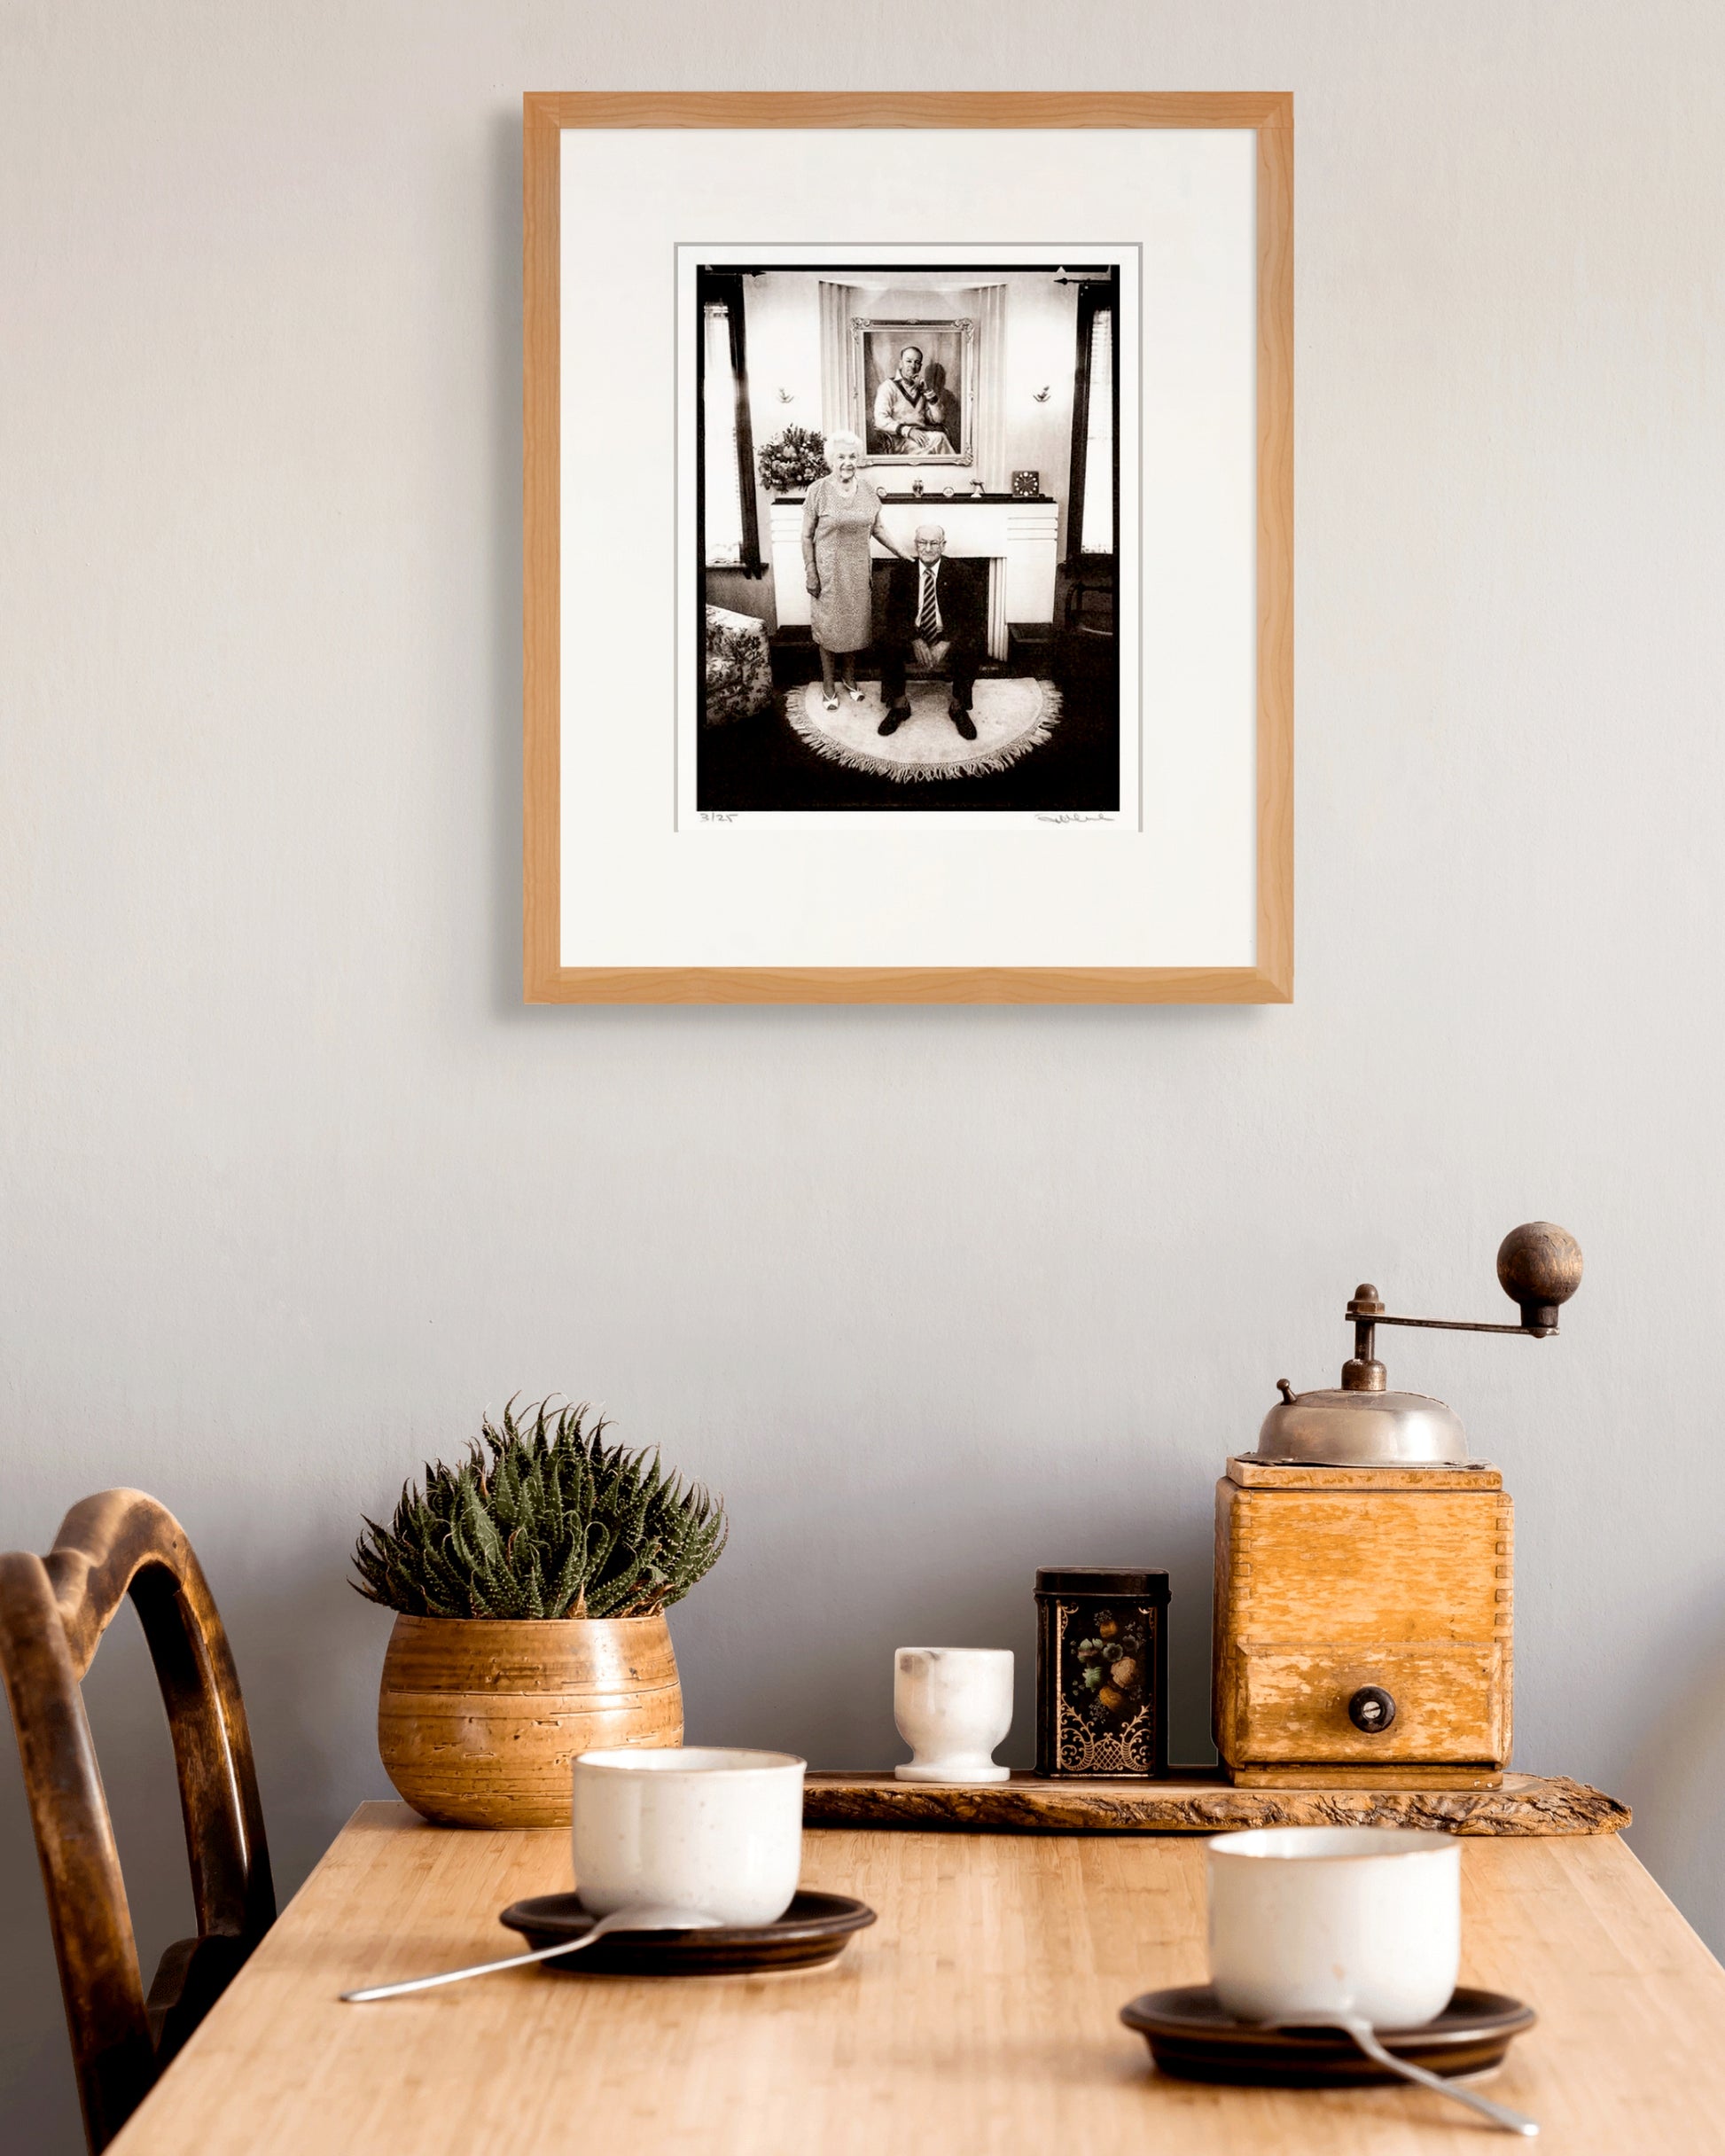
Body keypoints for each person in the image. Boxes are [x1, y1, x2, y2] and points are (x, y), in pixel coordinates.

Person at [800, 431, 911, 711]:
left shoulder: (868, 490)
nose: (847, 462)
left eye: (852, 456)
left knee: (853, 629)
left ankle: (849, 679)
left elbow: (878, 528)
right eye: (841, 457)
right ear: (830, 460)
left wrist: (902, 552)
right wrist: (811, 572)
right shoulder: (818, 491)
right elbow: (806, 536)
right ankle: (828, 685)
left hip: (859, 573)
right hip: (829, 573)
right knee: (828, 628)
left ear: (858, 459)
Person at [877, 524, 986, 741]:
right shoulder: (902, 572)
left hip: (946, 634)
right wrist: (914, 638)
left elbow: (972, 616)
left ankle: (958, 706)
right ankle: (899, 706)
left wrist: (946, 642)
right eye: (922, 543)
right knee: (887, 641)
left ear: (943, 545)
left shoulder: (961, 573)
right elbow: (893, 615)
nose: (927, 548)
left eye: (934, 543)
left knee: (974, 643)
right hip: (913, 633)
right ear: (915, 545)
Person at [871, 345, 956, 457]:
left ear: (920, 366)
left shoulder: (921, 388)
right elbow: (880, 420)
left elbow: (938, 419)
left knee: (939, 439)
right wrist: (909, 431)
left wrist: (928, 392)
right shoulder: (888, 387)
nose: (912, 366)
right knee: (939, 439)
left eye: (917, 362)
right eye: (909, 361)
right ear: (901, 363)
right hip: (898, 441)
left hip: (921, 436)